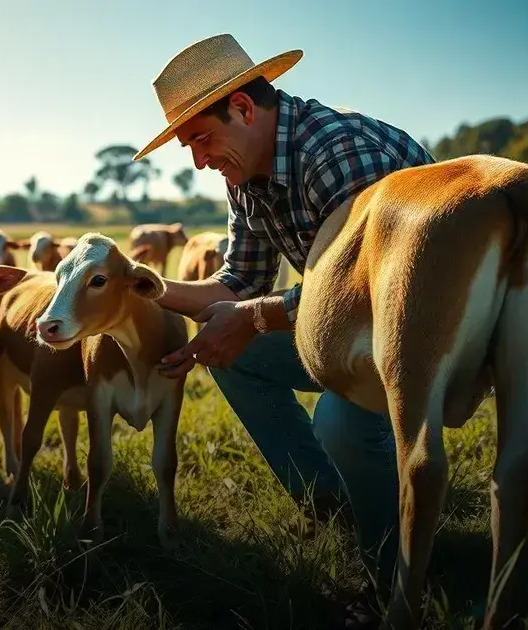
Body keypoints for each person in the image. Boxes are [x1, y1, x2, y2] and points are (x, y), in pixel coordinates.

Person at [135, 34, 436, 624]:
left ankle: (393, 579)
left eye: (200, 138)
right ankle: (334, 506)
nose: (198, 161)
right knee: (235, 357)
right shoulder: (245, 172)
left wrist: (249, 319)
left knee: (341, 424)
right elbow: (240, 284)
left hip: (422, 332)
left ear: (244, 108)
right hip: (350, 326)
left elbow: (370, 290)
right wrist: (144, 290)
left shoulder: (336, 150)